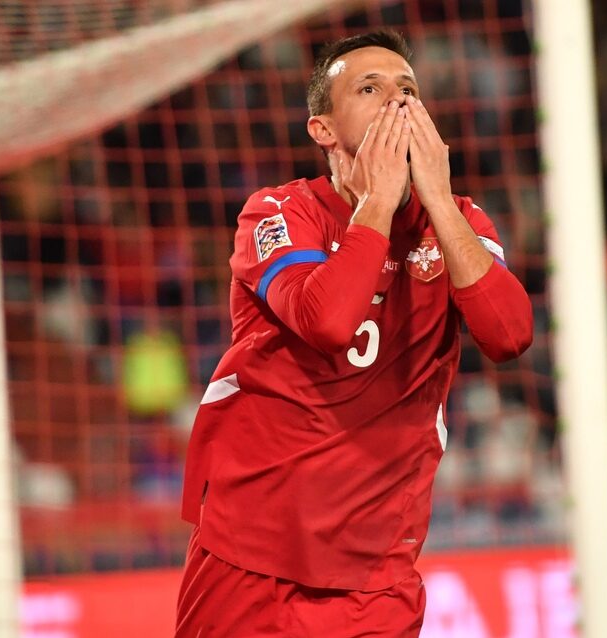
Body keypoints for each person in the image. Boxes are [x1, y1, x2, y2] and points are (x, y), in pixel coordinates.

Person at [176, 30, 533, 636]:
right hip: (250, 559)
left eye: (408, 91)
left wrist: (440, 203)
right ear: (322, 129)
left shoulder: (457, 223)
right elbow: (328, 320)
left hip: (376, 577)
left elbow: (509, 335)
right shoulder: (278, 213)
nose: (397, 102)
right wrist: (377, 201)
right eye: (370, 88)